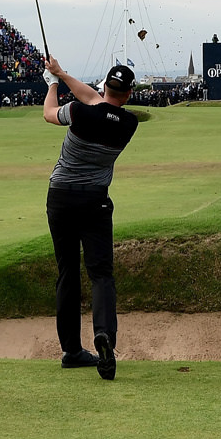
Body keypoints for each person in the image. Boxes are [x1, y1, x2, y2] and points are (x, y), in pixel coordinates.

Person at [40, 57, 140, 380]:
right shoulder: (128, 124)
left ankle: (70, 350)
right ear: (127, 95)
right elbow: (97, 102)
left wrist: (52, 83)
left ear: (105, 86)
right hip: (94, 202)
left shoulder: (79, 113)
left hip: (60, 199)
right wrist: (60, 72)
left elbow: (49, 113)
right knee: (101, 274)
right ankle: (105, 338)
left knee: (67, 272)